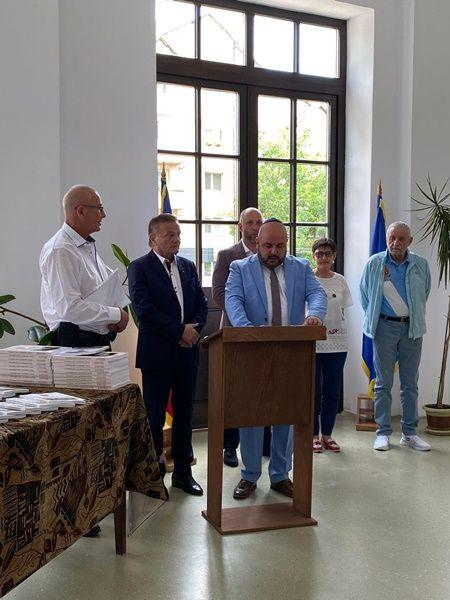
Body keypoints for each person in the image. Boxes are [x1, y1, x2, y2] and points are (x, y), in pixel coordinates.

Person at [40, 184, 129, 536]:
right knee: (76, 430)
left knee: (96, 426)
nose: (103, 215)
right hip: (73, 344)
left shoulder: (88, 247)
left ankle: (92, 502)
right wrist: (114, 313)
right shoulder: (61, 250)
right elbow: (69, 309)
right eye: (98, 208)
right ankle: (72, 509)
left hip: (95, 343)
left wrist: (116, 310)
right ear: (79, 211)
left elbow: (104, 287)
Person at [225, 219, 327, 500]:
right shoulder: (239, 268)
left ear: (287, 244)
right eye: (268, 245)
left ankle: (281, 475)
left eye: (280, 246)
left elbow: (317, 294)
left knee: (286, 414)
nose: (274, 251)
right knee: (251, 416)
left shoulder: (300, 267)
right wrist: (248, 332)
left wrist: (314, 315)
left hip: (290, 353)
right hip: (252, 352)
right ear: (257, 243)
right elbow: (233, 301)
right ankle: (250, 475)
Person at [128, 213, 208, 496]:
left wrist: (194, 331)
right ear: (153, 239)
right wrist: (180, 331)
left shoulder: (188, 266)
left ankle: (183, 474)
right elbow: (144, 310)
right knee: (154, 416)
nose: (176, 239)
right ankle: (153, 477)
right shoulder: (139, 267)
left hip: (187, 354)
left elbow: (201, 303)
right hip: (157, 355)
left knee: (185, 415)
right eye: (169, 235)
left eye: (178, 234)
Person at [359, 221, 431, 452]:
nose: (395, 242)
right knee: (383, 383)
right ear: (387, 238)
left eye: (401, 238)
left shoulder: (420, 264)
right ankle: (382, 433)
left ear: (410, 241)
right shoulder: (375, 263)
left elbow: (425, 292)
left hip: (412, 328)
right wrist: (378, 317)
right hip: (384, 327)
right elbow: (365, 295)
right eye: (392, 237)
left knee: (410, 383)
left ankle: (409, 434)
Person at [212, 207, 272, 468]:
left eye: (259, 221)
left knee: (266, 387)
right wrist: (243, 318)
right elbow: (218, 293)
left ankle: (266, 441)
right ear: (240, 226)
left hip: (267, 333)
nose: (255, 226)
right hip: (235, 333)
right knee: (234, 391)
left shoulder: (271, 254)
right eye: (250, 222)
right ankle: (229, 445)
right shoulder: (227, 256)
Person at [311, 238, 352, 453]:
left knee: (332, 391)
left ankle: (327, 435)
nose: (324, 257)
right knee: (313, 391)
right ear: (313, 256)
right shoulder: (308, 279)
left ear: (334, 256)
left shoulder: (341, 281)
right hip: (313, 342)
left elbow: (343, 309)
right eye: (320, 253)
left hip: (337, 342)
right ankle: (312, 435)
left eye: (328, 253)